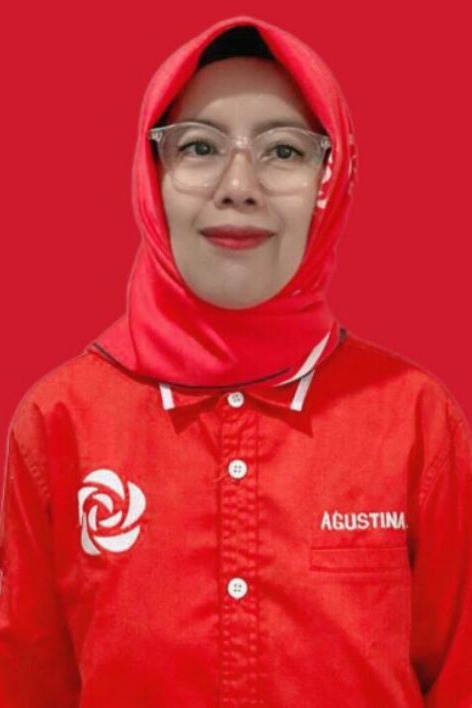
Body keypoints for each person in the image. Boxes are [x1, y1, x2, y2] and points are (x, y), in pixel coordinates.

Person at [1, 14, 471, 707]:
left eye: (284, 151)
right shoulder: (59, 422)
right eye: (199, 146)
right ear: (152, 177)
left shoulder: (415, 420)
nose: (239, 184)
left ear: (330, 181)